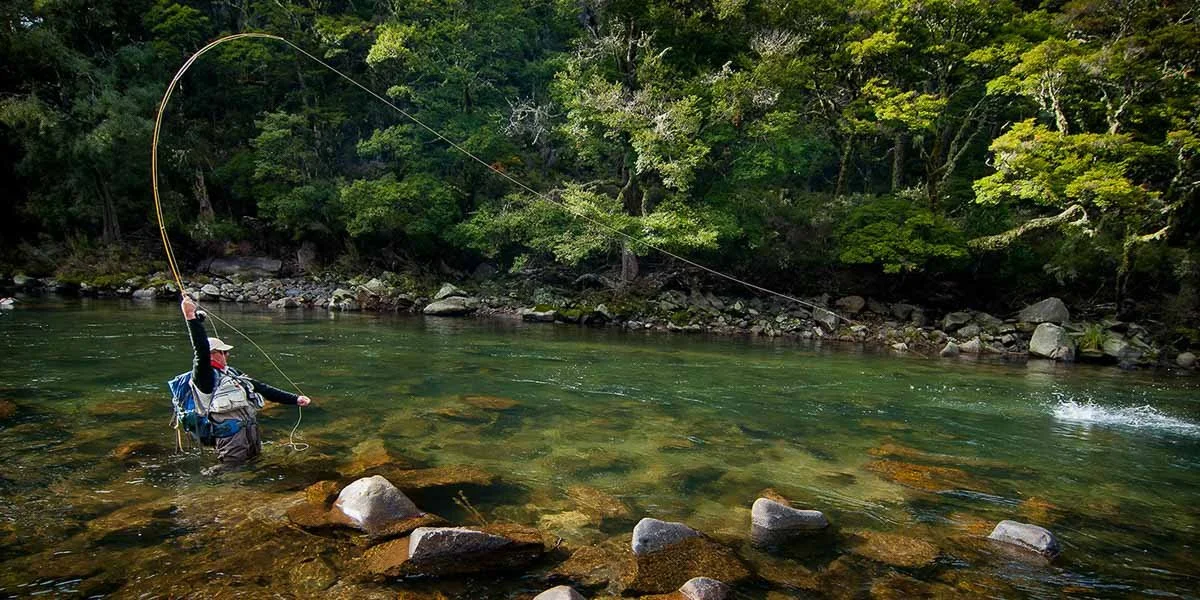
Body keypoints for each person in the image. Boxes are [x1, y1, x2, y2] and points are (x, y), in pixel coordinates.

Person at [180, 296, 312, 466]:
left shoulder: (233, 373)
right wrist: (190, 316)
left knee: (255, 466)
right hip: (230, 439)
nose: (227, 355)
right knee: (231, 474)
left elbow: (262, 389)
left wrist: (295, 399)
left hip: (250, 434)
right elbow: (200, 350)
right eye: (224, 352)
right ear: (214, 354)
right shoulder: (204, 377)